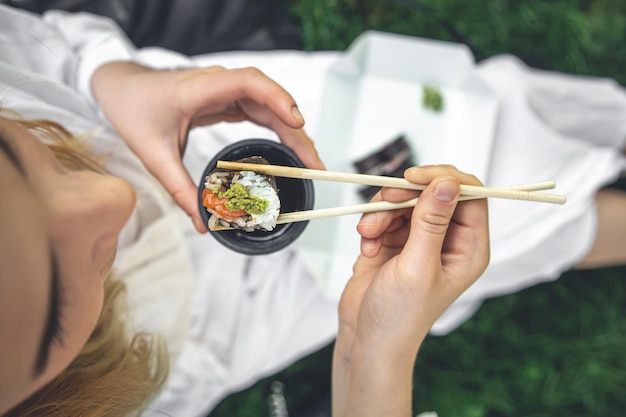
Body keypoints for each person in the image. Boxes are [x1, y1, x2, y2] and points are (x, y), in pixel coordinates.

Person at [0, 4, 490, 417]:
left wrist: (115, 81)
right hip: (223, 333)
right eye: (57, 308)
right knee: (485, 247)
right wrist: (372, 357)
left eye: (16, 161)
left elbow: (54, 49)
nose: (118, 197)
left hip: (188, 138)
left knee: (476, 118)